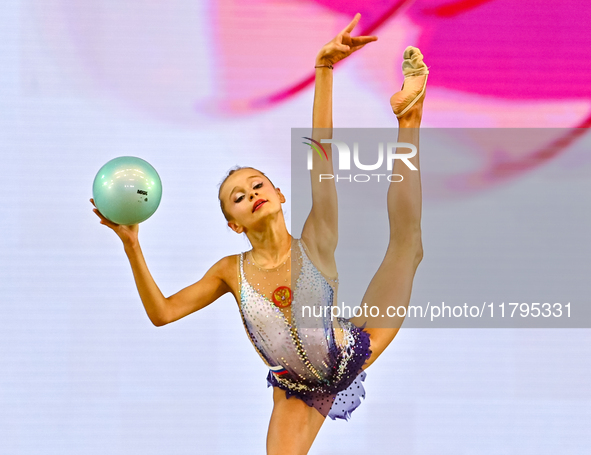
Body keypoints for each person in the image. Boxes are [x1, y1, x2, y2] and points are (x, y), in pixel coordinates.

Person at [90, 12, 427, 455]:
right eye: (237, 197)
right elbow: (164, 313)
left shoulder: (315, 238)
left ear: (280, 194)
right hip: (297, 389)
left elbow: (320, 156)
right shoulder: (231, 271)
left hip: (353, 347)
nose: (251, 194)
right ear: (234, 223)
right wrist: (132, 244)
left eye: (257, 184)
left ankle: (409, 120)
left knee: (408, 246)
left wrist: (323, 71)